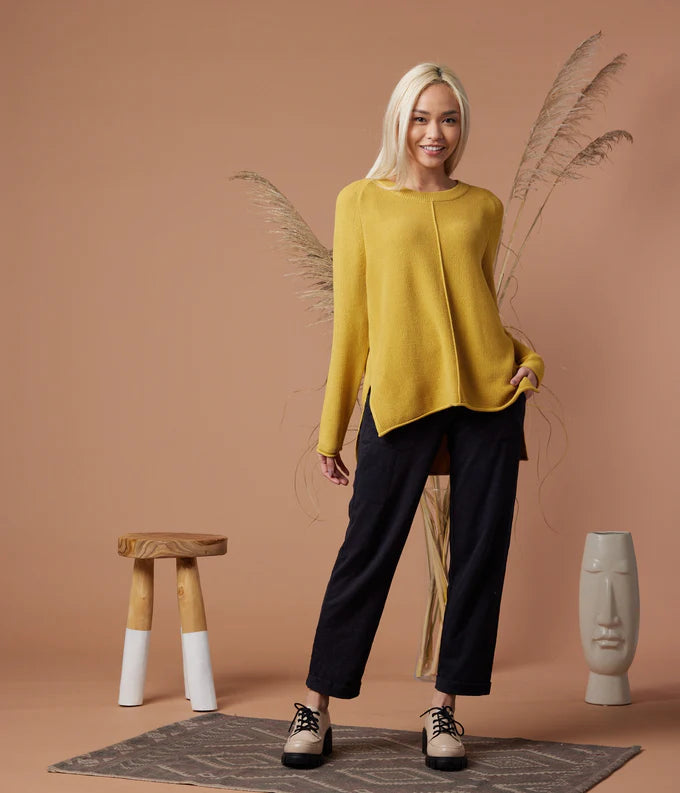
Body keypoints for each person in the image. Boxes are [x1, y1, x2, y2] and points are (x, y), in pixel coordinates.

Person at [281, 62, 544, 773]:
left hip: (488, 400)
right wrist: (331, 427)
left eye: (448, 118)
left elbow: (478, 306)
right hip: (400, 399)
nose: (435, 132)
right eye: (422, 117)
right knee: (366, 550)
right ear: (399, 121)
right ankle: (316, 706)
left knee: (478, 555)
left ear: (462, 128)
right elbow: (351, 324)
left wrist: (529, 360)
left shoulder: (483, 207)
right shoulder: (361, 201)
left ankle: (445, 708)